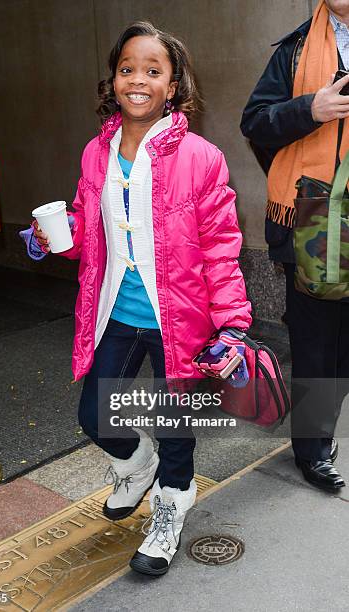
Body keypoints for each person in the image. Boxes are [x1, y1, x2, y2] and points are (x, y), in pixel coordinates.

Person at [32, 21, 251, 575]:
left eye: (153, 71)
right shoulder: (95, 152)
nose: (138, 80)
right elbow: (88, 229)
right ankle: (135, 465)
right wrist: (53, 237)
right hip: (116, 311)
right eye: (128, 68)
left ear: (172, 86)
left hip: (181, 319)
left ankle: (170, 508)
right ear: (113, 80)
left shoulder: (202, 157)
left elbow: (221, 248)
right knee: (94, 412)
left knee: (176, 425)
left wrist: (232, 325)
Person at [240, 0, 349, 492]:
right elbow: (256, 124)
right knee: (314, 342)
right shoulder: (294, 49)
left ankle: (322, 425)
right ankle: (312, 447)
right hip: (313, 220)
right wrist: (311, 109)